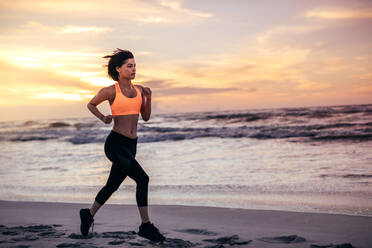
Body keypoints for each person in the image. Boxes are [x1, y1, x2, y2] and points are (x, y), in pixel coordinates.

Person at [79, 48, 166, 242]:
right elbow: (91, 104)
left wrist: (149, 98)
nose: (133, 69)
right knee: (143, 179)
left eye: (135, 66)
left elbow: (145, 117)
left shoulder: (140, 90)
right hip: (115, 144)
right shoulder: (110, 91)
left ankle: (88, 214)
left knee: (112, 185)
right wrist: (103, 117)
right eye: (129, 66)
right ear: (118, 69)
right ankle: (146, 226)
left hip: (131, 145)